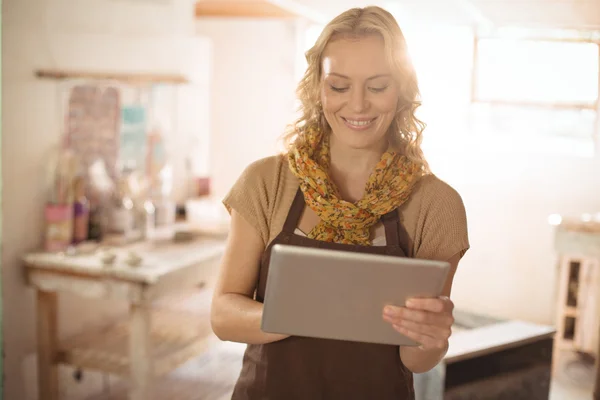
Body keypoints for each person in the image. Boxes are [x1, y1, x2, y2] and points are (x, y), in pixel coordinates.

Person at [210, 5, 469, 400]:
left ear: (402, 89)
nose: (358, 105)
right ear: (318, 86)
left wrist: (431, 337)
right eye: (339, 86)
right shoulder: (266, 182)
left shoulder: (437, 205)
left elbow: (417, 359)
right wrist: (316, 311)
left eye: (378, 86)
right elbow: (224, 316)